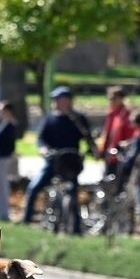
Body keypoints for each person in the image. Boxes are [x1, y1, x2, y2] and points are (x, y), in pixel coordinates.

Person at [20, 86, 96, 226]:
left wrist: (92, 151)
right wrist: (43, 149)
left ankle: (76, 227)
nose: (57, 102)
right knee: (34, 188)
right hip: (53, 160)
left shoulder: (77, 119)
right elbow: (41, 138)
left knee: (72, 194)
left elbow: (88, 137)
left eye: (60, 99)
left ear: (68, 101)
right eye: (56, 99)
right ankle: (26, 220)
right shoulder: (50, 118)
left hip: (70, 162)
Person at [98, 86, 137, 174]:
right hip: (110, 156)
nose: (110, 101)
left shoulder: (126, 115)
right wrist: (103, 151)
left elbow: (130, 137)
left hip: (120, 158)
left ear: (120, 99)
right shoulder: (112, 114)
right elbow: (107, 134)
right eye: (109, 99)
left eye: (113, 99)